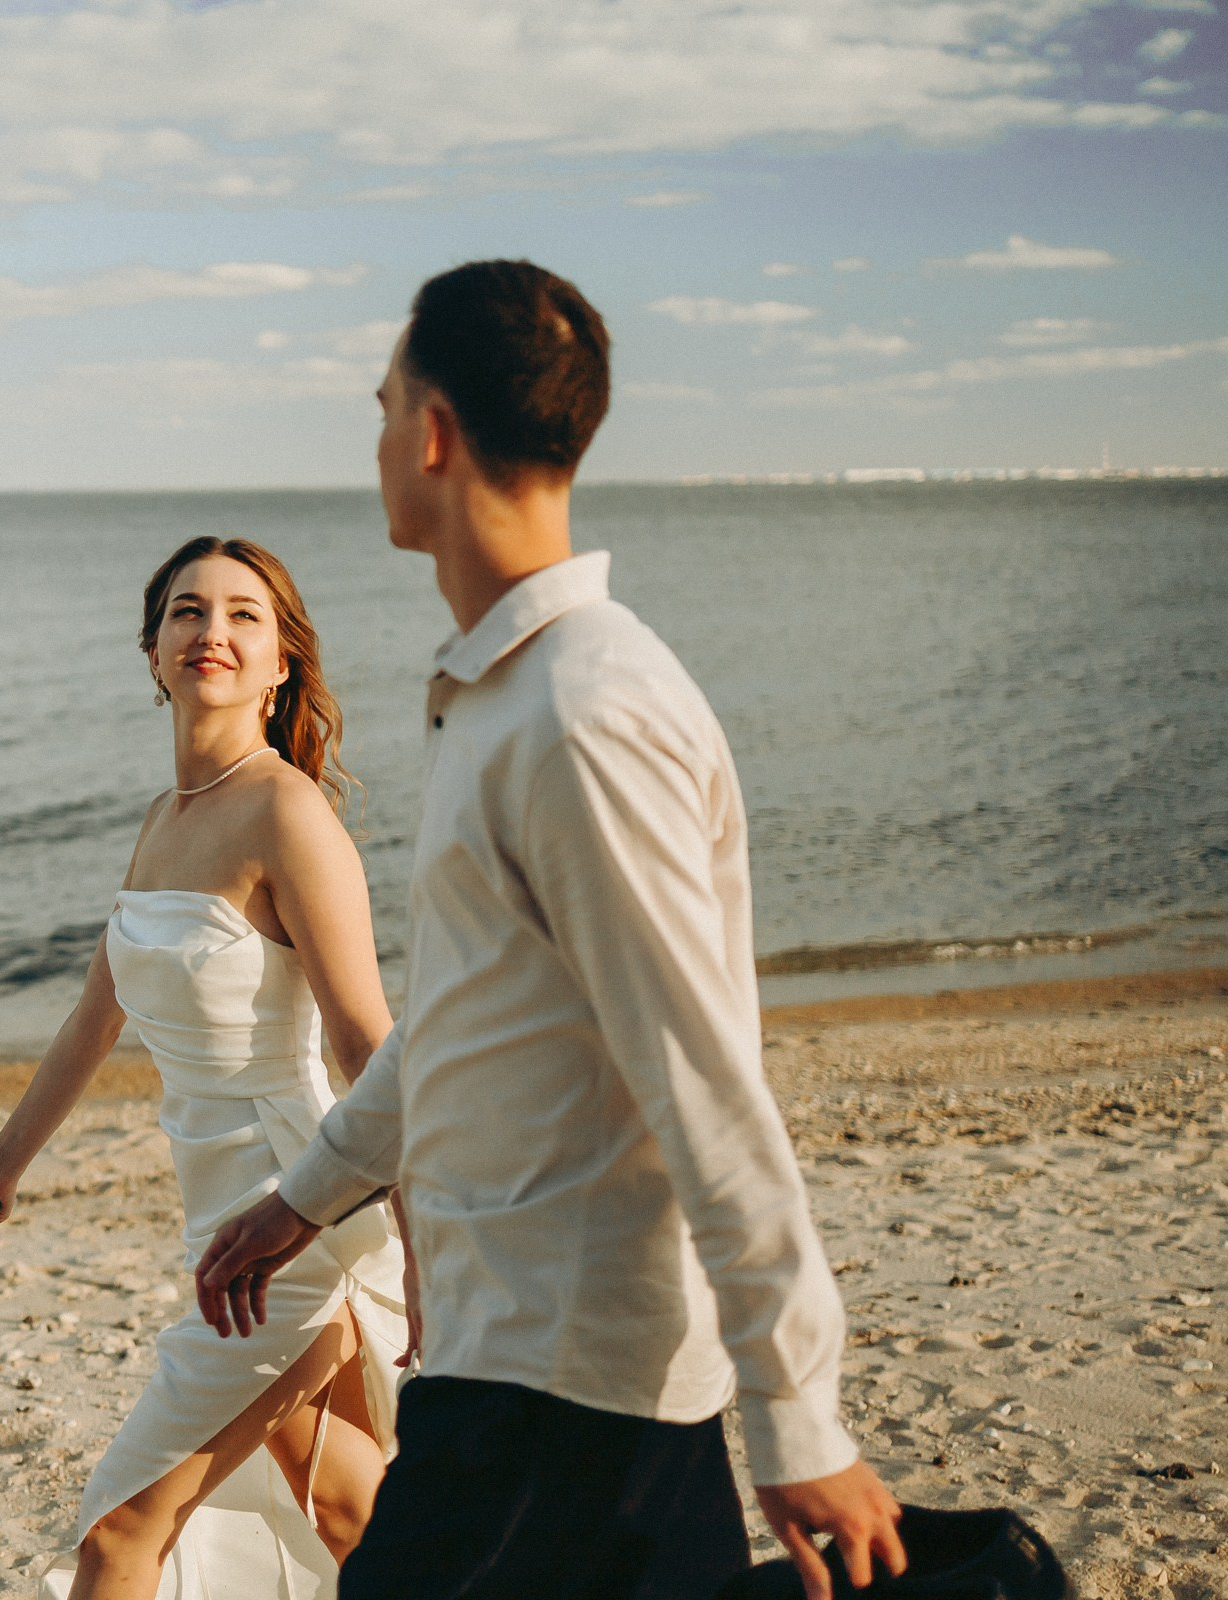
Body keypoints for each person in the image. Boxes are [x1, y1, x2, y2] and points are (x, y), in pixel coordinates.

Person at [192, 260, 908, 1600]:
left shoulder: (582, 715)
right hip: (524, 1361)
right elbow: (467, 1019)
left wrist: (800, 1414)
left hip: (560, 1387)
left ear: (433, 433)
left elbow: (702, 1078)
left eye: (384, 402)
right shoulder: (502, 700)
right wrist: (301, 1200)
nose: (378, 438)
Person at [0, 536, 411, 1600]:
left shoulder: (288, 813)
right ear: (152, 651)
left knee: (119, 1533)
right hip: (213, 1217)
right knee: (348, 1511)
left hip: (293, 1217)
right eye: (188, 612)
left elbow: (366, 1043)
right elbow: (96, 1017)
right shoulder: (164, 822)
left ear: (282, 659)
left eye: (246, 615)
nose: (214, 632)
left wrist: (425, 1232)